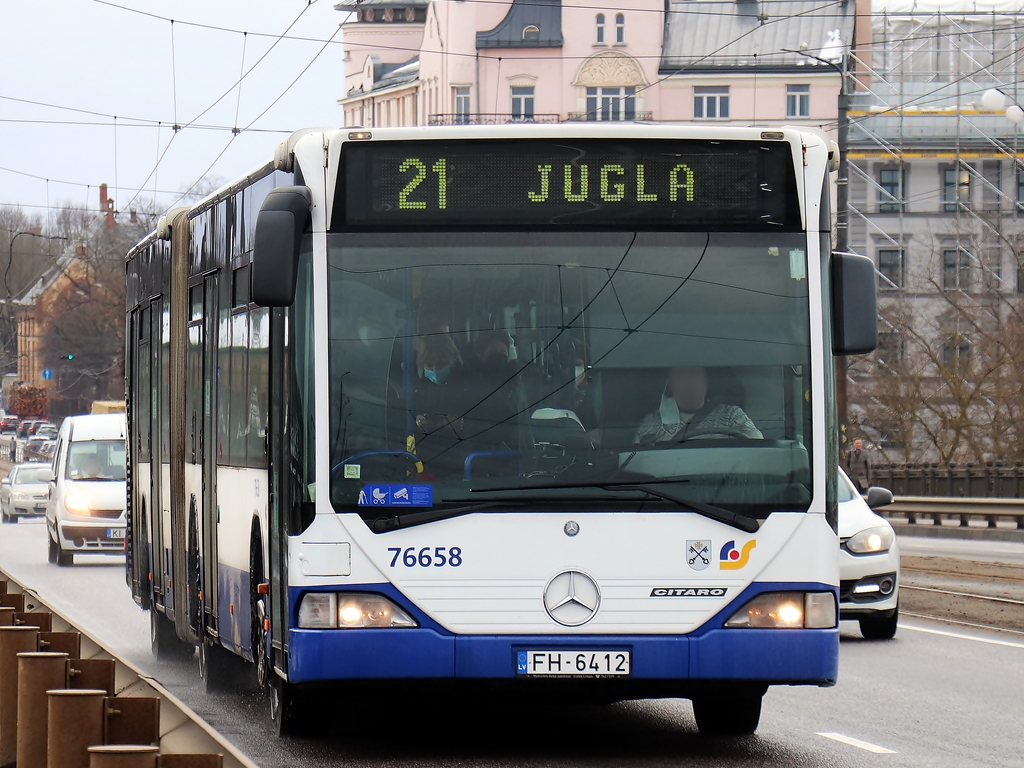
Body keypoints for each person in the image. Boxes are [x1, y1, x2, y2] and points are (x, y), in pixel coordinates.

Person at [634, 366, 762, 445]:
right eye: (680, 376)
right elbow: (636, 464)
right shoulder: (651, 425)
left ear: (706, 381)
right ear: (670, 384)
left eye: (694, 374)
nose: (689, 383)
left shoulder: (732, 417)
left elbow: (758, 451)